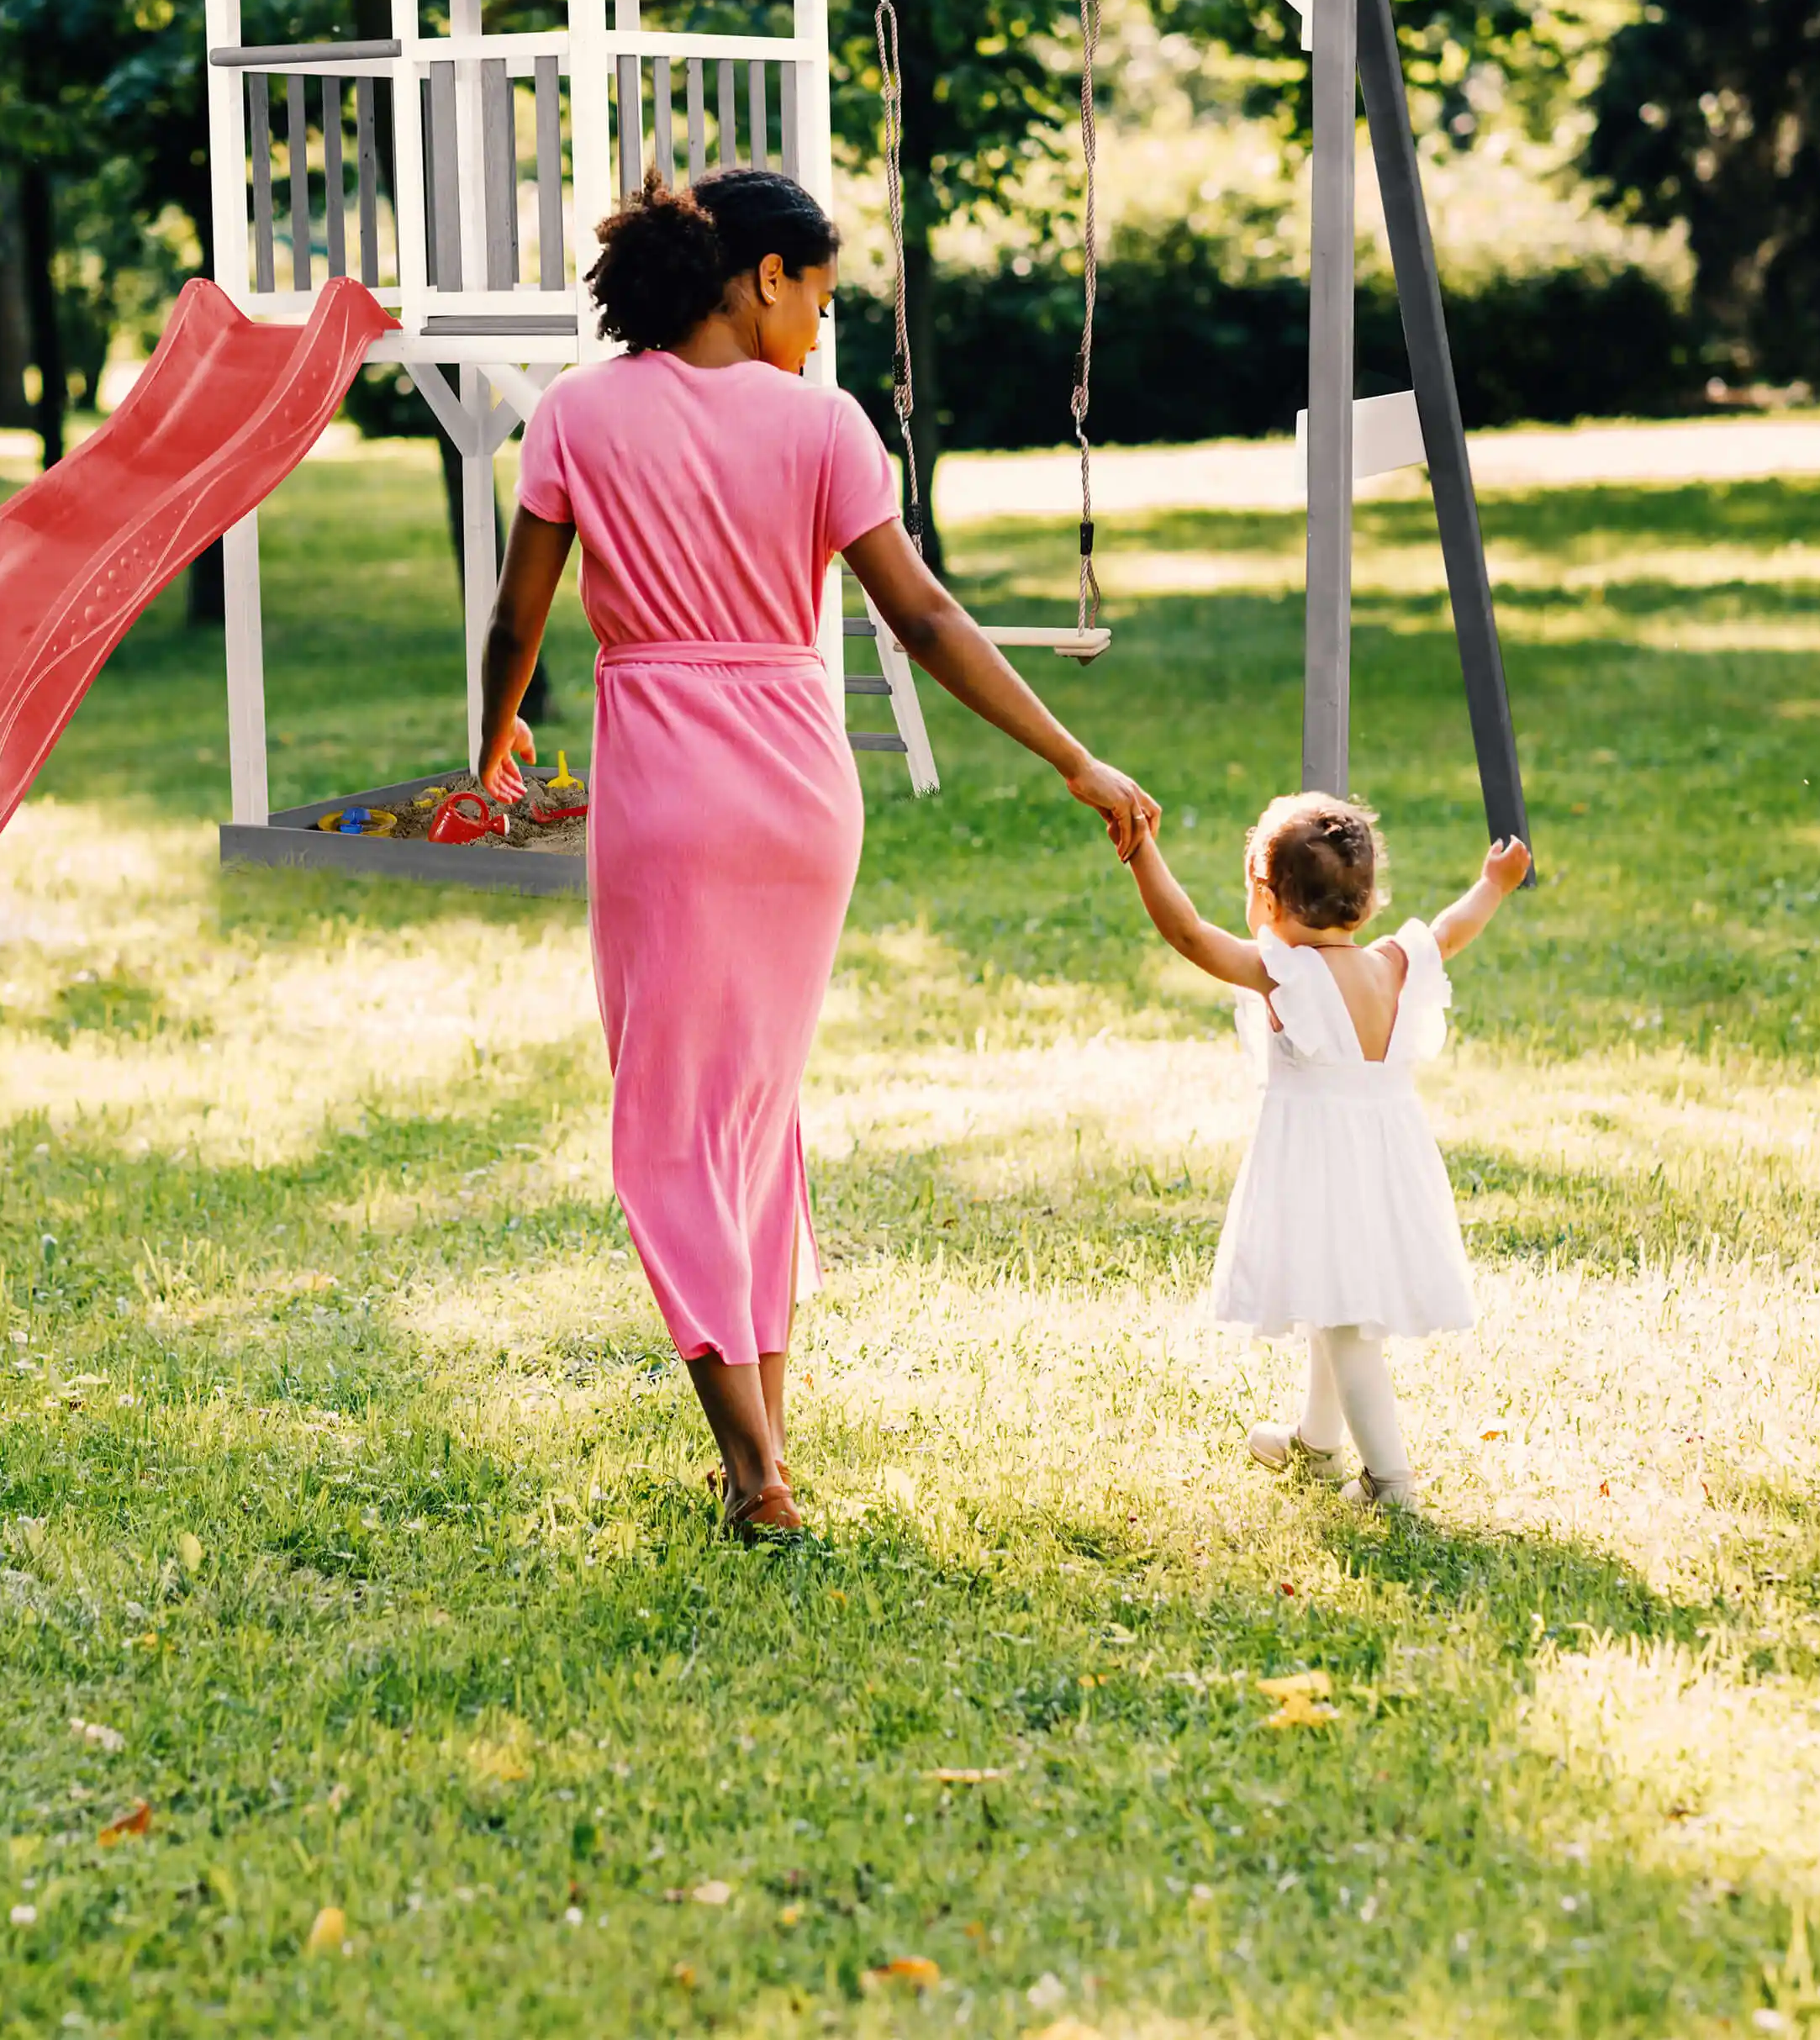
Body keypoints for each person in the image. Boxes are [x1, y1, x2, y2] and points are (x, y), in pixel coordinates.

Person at [473, 168, 1159, 1543]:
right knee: (752, 1114)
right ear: (763, 277)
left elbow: (518, 620)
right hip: (799, 793)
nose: (821, 328)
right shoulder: (824, 427)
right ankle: (766, 1446)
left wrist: (489, 745)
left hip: (667, 792)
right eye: (821, 297)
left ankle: (752, 1471)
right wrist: (1070, 755)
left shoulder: (576, 415)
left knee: (672, 1124)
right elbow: (926, 620)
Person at [1121, 793, 1532, 1510]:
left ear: (1267, 898)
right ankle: (1316, 1443)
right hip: (1386, 1161)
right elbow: (1450, 929)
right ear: (1366, 904)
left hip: (1322, 1166)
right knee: (1329, 1295)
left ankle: (1390, 1481)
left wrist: (1140, 849)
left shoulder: (1286, 975)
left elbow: (1187, 934)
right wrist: (1492, 885)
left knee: (1345, 1323)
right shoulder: (1393, 964)